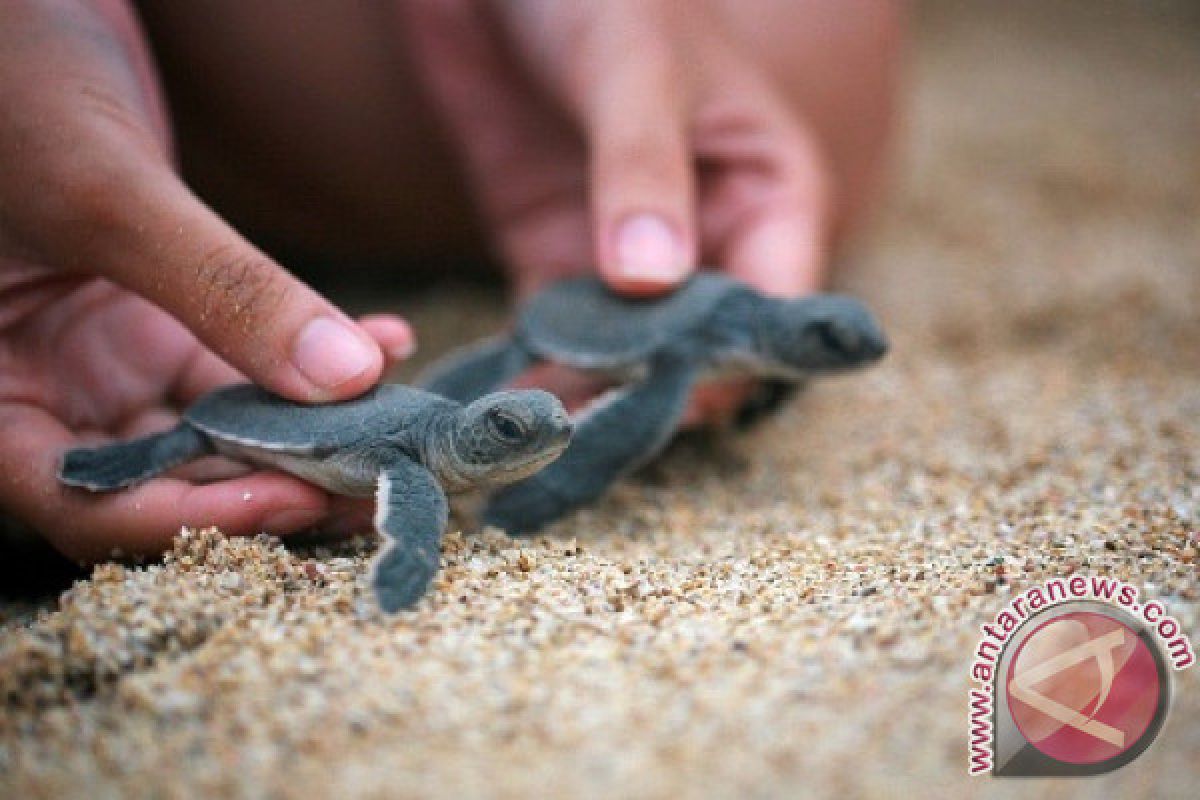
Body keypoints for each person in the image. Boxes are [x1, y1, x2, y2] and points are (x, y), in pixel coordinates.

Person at [0, 0, 903, 562]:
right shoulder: (681, 346)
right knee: (215, 442)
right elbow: (614, 424)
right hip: (553, 318)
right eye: (824, 339)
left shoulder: (746, 329)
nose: (850, 348)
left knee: (805, 124)